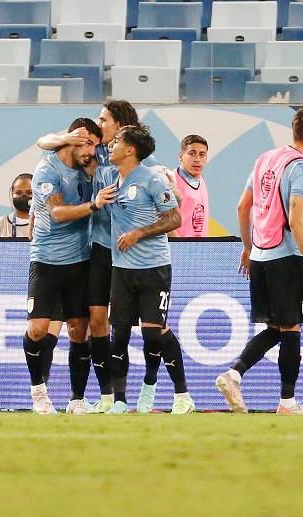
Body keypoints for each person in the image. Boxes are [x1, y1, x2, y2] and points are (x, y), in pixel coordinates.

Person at [216, 107, 303, 415]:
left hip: (261, 256)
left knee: (279, 327)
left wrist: (249, 248)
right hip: (287, 257)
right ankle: (287, 403)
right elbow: (296, 219)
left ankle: (233, 374)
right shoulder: (302, 168)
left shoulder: (265, 158)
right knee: (291, 328)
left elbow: (242, 207)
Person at [24, 117, 115, 415]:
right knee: (38, 330)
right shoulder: (46, 170)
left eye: (95, 145)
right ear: (73, 139)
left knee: (79, 329)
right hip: (47, 261)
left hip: (81, 260)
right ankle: (38, 390)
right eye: (88, 143)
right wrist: (94, 205)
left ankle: (77, 398)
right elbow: (59, 213)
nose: (92, 151)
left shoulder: (90, 167)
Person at [105, 126, 196, 415]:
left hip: (153, 267)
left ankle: (150, 385)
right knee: (118, 335)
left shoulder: (153, 179)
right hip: (121, 269)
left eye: (117, 142)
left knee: (152, 335)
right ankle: (120, 400)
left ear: (130, 150)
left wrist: (138, 234)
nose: (111, 145)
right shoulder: (111, 178)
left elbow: (175, 218)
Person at [170, 135, 210, 238]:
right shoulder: (171, 181)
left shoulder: (201, 180)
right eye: (192, 153)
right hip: (179, 250)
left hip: (198, 249)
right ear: (180, 156)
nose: (197, 159)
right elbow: (165, 222)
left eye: (202, 155)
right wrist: (179, 248)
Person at [0, 173, 32, 238]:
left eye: (29, 193)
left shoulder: (47, 224)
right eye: (18, 193)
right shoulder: (0, 224)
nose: (23, 196)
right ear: (12, 194)